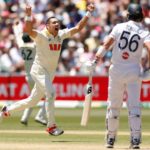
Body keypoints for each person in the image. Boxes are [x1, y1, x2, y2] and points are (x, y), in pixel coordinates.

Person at [0, 3, 95, 136]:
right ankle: (51, 127)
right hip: (39, 70)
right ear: (47, 26)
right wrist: (28, 15)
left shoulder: (60, 35)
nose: (57, 24)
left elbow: (78, 28)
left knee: (32, 101)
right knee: (51, 93)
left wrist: (88, 13)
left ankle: (6, 110)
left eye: (58, 22)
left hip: (49, 74)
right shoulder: (41, 36)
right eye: (54, 23)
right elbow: (29, 30)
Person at [86, 3, 150, 149]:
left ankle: (110, 139)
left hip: (116, 70)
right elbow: (149, 48)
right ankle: (135, 140)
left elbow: (107, 44)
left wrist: (95, 60)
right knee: (134, 107)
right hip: (134, 71)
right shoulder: (144, 32)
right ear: (141, 16)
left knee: (114, 106)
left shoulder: (119, 27)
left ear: (128, 15)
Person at [13, 20, 47, 126]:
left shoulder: (21, 46)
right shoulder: (34, 46)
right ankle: (40, 116)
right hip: (36, 75)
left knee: (33, 98)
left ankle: (24, 117)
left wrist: (16, 27)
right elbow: (40, 38)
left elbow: (18, 36)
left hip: (27, 76)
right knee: (50, 95)